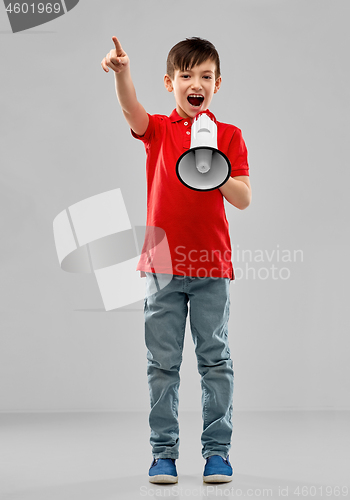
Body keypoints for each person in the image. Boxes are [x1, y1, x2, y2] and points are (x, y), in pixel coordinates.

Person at [101, 36, 251, 484]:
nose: (195, 82)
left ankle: (217, 453)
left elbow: (242, 198)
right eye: (186, 75)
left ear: (217, 85)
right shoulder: (161, 130)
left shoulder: (230, 136)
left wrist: (213, 165)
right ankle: (162, 453)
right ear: (171, 83)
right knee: (162, 364)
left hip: (211, 268)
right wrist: (122, 73)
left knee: (215, 361)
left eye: (205, 76)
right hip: (162, 266)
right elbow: (131, 111)